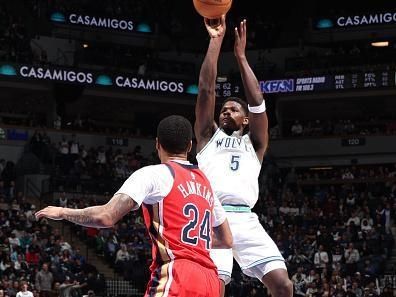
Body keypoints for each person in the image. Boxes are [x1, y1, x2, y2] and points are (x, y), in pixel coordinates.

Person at [36, 115, 233, 297]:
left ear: (157, 144)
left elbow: (106, 216)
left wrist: (62, 212)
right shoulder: (204, 182)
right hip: (209, 279)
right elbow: (226, 239)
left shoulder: (154, 174)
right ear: (190, 146)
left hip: (177, 274)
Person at [194, 16, 293, 297]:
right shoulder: (207, 137)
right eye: (223, 109)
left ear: (246, 120)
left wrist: (240, 56)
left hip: (246, 219)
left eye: (234, 109)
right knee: (215, 287)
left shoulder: (256, 143)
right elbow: (205, 89)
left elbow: (258, 103)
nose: (226, 111)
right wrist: (216, 41)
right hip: (212, 217)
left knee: (283, 286)